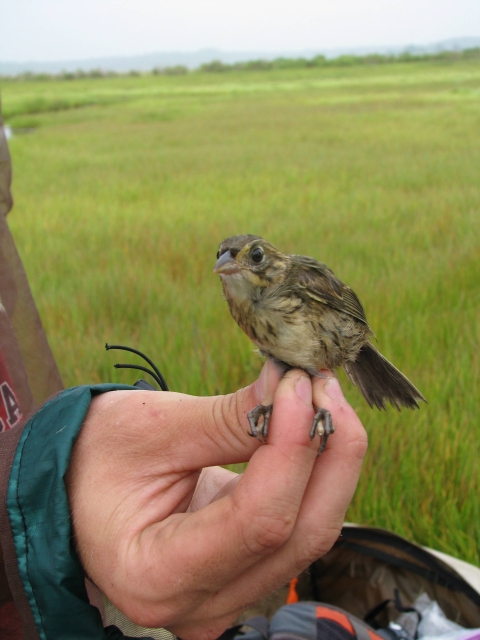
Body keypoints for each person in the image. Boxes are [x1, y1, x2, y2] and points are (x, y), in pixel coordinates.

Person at [0, 111, 368, 640]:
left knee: (303, 391)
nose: (230, 265)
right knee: (284, 391)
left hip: (332, 352)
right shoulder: (244, 309)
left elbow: (345, 316)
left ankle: (314, 414)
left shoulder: (300, 279)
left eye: (248, 256)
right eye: (224, 258)